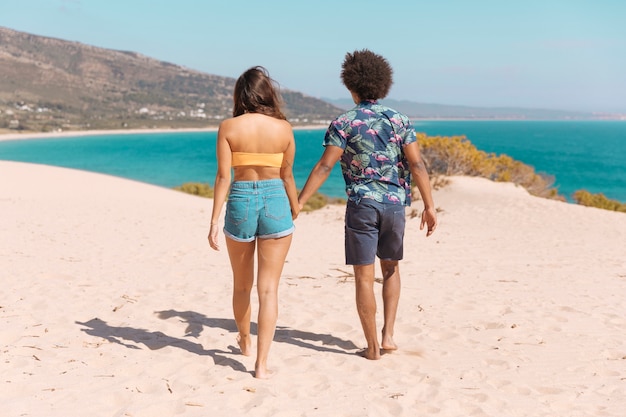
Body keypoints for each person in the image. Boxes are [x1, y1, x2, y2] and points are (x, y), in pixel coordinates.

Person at [298, 50, 438, 360]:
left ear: (351, 85)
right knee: (391, 270)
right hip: (394, 206)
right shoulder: (400, 120)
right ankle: (388, 336)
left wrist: (300, 201)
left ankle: (372, 348)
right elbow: (417, 165)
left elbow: (324, 166)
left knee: (363, 277)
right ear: (383, 84)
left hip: (362, 205)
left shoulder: (343, 122)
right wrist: (430, 205)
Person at [208, 66, 299, 378]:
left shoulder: (228, 127)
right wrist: (296, 205)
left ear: (241, 95)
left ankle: (245, 341)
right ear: (268, 94)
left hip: (241, 200)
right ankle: (261, 364)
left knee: (242, 285)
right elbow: (287, 175)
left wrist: (213, 219)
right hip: (276, 200)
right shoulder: (284, 129)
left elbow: (223, 176)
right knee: (269, 289)